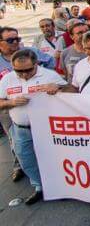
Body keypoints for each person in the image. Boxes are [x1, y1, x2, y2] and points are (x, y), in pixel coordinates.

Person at [0, 49, 66, 205]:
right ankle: (39, 187)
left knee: (52, 158)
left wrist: (59, 88)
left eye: (28, 70)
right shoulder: (8, 79)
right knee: (25, 159)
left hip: (47, 128)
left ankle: (59, 186)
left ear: (36, 63)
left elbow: (72, 91)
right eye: (19, 71)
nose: (24, 75)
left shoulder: (48, 75)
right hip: (20, 128)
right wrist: (11, 103)